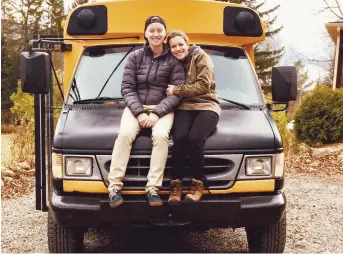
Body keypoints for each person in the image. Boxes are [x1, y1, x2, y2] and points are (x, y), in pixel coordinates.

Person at [108, 17, 185, 208]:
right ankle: (114, 187)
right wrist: (140, 113)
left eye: (160, 30)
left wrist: (157, 113)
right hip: (137, 108)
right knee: (125, 135)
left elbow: (177, 92)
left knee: (161, 137)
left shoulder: (173, 60)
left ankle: (153, 188)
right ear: (145, 33)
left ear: (165, 33)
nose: (156, 34)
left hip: (163, 109)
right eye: (152, 30)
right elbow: (127, 88)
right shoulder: (135, 57)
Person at [166, 31, 221, 205]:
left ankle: (198, 183)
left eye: (180, 44)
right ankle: (176, 186)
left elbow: (204, 86)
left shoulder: (201, 57)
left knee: (195, 138)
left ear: (187, 43)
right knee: (179, 139)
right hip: (184, 106)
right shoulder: (173, 62)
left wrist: (177, 90)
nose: (177, 49)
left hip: (207, 105)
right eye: (173, 46)